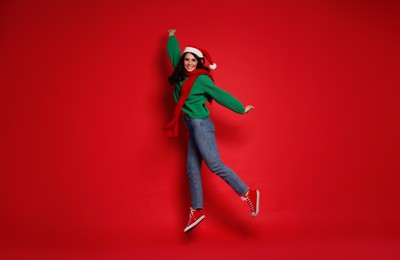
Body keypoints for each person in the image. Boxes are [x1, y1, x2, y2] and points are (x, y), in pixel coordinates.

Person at [164, 28, 260, 233]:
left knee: (214, 165)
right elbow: (173, 54)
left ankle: (248, 193)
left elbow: (220, 94)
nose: (189, 63)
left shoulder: (202, 79)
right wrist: (172, 37)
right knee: (191, 170)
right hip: (192, 125)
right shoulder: (181, 74)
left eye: (193, 60)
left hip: (201, 125)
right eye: (186, 59)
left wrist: (240, 108)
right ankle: (197, 209)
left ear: (199, 62)